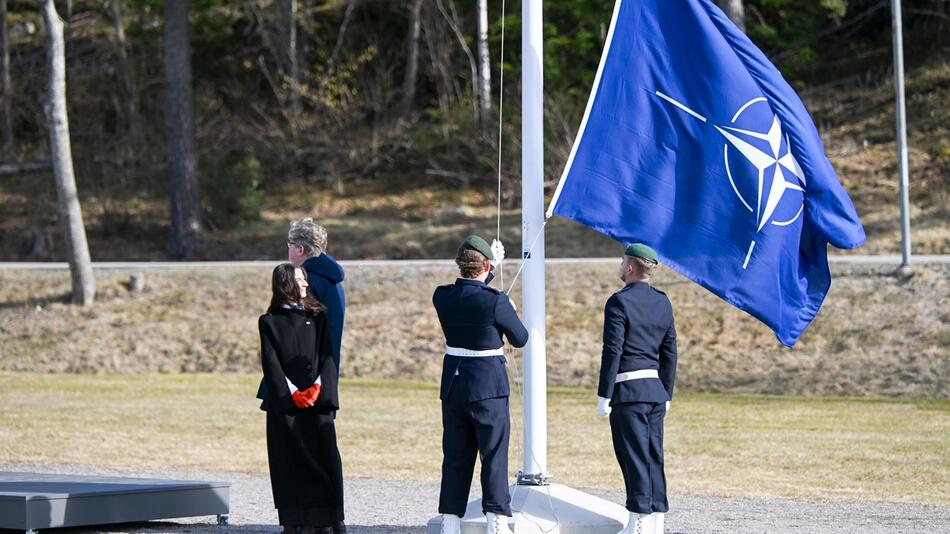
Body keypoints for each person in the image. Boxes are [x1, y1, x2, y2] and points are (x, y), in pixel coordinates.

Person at [433, 235, 528, 534]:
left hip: (454, 385)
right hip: (487, 387)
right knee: (493, 456)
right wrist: (507, 305)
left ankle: (450, 522)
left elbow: (473, 291)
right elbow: (520, 338)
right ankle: (496, 522)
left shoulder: (442, 296)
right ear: (486, 265)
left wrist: (490, 273)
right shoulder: (496, 301)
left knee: (456, 455)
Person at [597, 244, 677, 534]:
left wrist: (604, 394)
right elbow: (670, 352)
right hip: (655, 391)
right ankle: (656, 519)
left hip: (629, 392)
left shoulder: (619, 302)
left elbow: (612, 350)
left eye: (622, 262)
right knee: (653, 455)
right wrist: (666, 392)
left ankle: (639, 521)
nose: (620, 267)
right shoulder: (663, 301)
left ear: (630, 268)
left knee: (633, 457)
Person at [259, 263, 345, 534]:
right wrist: (291, 394)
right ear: (285, 284)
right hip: (286, 403)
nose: (305, 284)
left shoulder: (318, 316)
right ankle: (293, 518)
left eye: (305, 279)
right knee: (288, 462)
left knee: (324, 458)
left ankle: (328, 518)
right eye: (300, 279)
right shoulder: (269, 321)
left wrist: (319, 388)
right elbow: (270, 363)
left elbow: (327, 356)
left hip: (317, 400)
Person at [287, 217, 346, 373]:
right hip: (323, 372)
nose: (288, 249)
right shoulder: (332, 280)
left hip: (303, 376)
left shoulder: (307, 281)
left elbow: (297, 330)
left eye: (289, 245)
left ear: (300, 249)